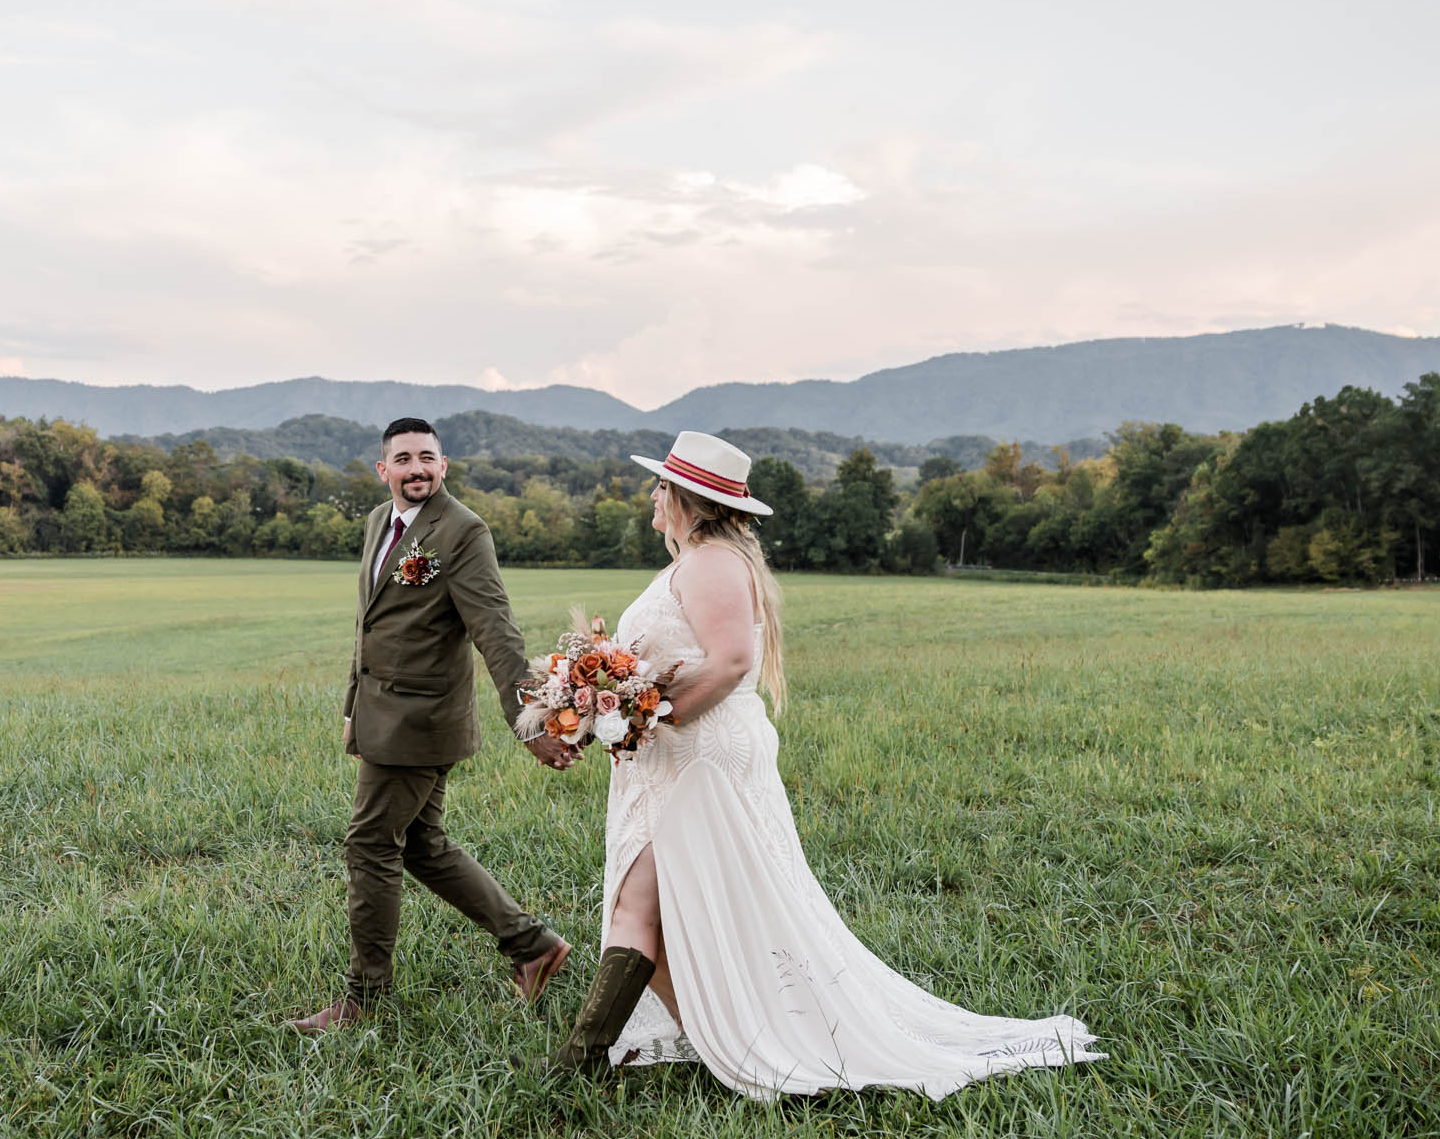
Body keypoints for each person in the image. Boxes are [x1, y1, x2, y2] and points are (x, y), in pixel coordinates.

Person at [548, 430, 1101, 1097]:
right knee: (653, 908)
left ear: (687, 498)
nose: (653, 495)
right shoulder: (698, 560)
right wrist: (616, 703)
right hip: (674, 758)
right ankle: (708, 1030)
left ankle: (578, 1064)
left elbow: (728, 662)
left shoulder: (712, 563)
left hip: (698, 762)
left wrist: (650, 716)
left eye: (662, 485)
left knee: (636, 906)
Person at [287, 418, 581, 1034]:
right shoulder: (378, 523)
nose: (416, 468)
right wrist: (353, 701)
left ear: (443, 466)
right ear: (383, 469)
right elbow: (374, 624)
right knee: (421, 845)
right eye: (403, 459)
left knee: (370, 845)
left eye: (427, 458)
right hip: (380, 711)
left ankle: (362, 1000)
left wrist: (531, 721)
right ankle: (532, 945)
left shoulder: (464, 532)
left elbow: (495, 630)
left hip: (419, 720)